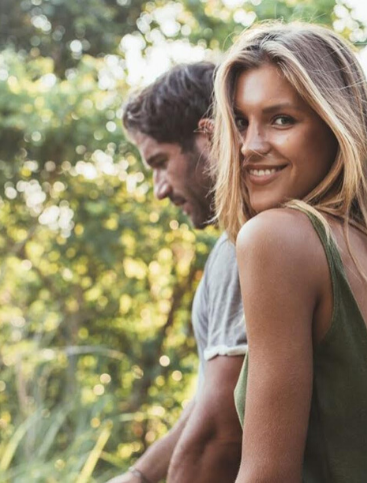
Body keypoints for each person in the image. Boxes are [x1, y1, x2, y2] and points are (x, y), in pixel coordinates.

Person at [211, 23, 367, 482]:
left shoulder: (277, 238)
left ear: (335, 127)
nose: (250, 146)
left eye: (281, 120)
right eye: (240, 121)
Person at [110, 62, 246, 483]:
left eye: (160, 162)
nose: (160, 188)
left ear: (206, 140)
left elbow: (219, 434)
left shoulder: (246, 248)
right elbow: (210, 401)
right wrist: (139, 477)